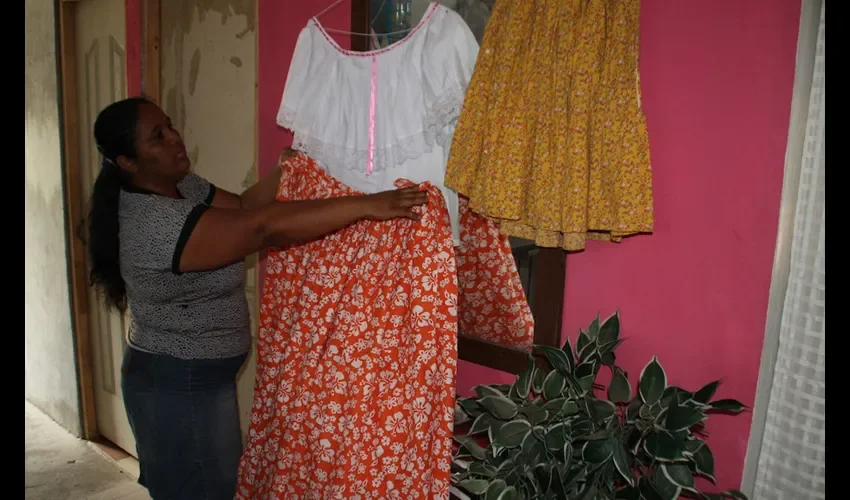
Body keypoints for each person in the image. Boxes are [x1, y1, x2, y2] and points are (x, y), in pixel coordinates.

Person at [87, 96, 428, 500]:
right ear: (127, 162)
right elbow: (261, 228)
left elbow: (244, 206)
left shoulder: (180, 186)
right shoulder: (155, 224)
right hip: (178, 383)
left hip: (196, 379)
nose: (175, 139)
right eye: (157, 137)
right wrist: (366, 205)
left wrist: (283, 170)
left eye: (170, 126)